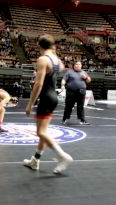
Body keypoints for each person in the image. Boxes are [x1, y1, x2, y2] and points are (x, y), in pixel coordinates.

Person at [24, 34, 73, 174]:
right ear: (53, 46)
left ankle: (63, 156)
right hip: (53, 98)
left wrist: (30, 104)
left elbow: (38, 84)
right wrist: (54, 51)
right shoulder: (57, 60)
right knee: (43, 132)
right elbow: (62, 68)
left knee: (40, 132)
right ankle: (35, 161)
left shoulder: (43, 60)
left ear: (40, 46)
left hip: (45, 97)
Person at [61, 61, 91, 125]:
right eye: (76, 64)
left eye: (79, 64)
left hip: (81, 92)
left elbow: (89, 81)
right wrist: (62, 85)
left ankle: (82, 120)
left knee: (81, 106)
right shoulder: (69, 72)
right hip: (71, 92)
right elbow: (64, 80)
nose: (78, 65)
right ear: (74, 65)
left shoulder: (84, 72)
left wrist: (86, 78)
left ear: (81, 65)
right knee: (68, 106)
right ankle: (65, 118)